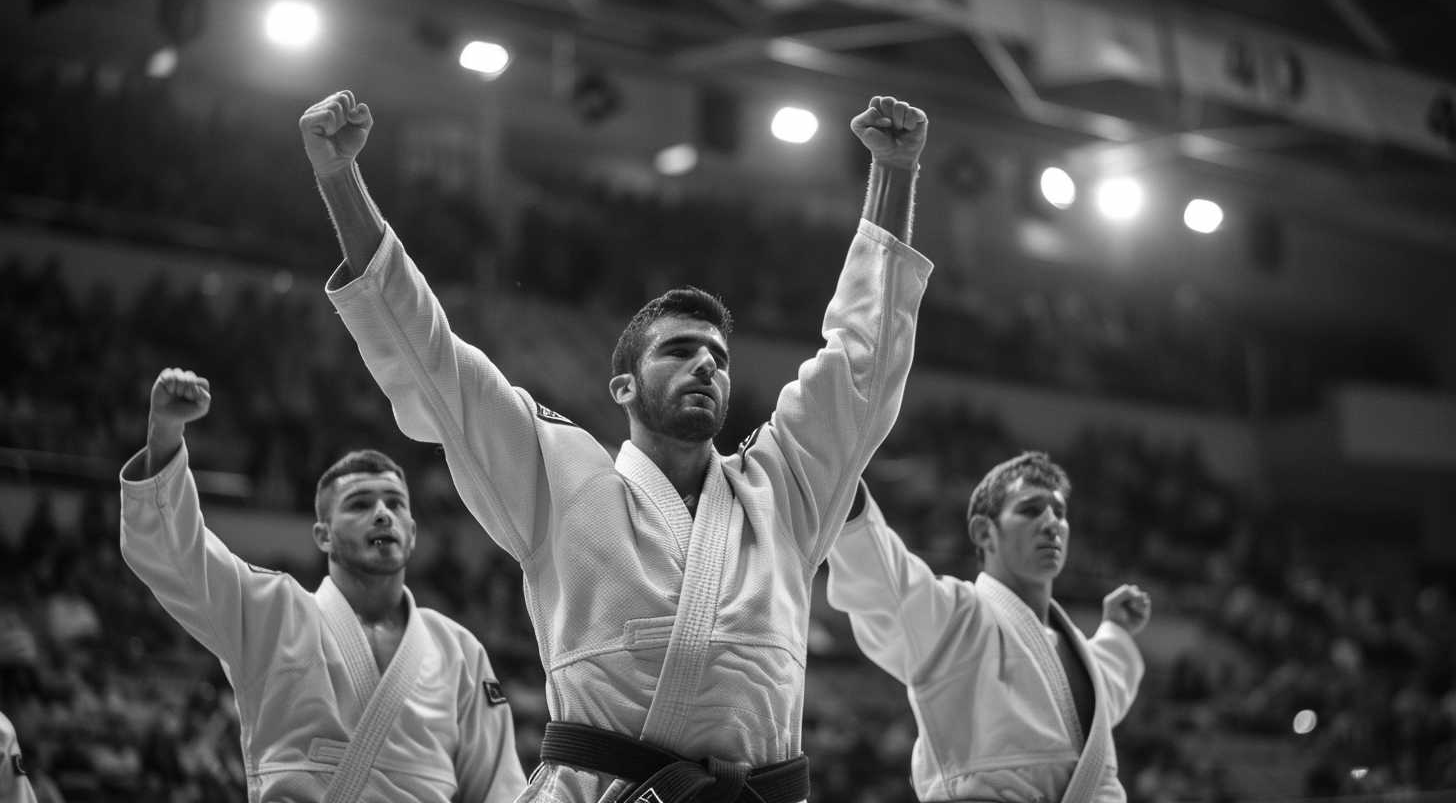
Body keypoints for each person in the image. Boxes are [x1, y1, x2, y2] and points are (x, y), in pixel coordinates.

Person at [299, 89, 931, 802]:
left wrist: (893, 174)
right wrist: (340, 181)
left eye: (718, 359)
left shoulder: (783, 490)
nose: (706, 366)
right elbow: (432, 362)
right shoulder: (561, 477)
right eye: (681, 352)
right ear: (623, 388)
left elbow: (862, 366)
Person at [118, 368, 527, 803]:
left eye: (395, 504)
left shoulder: (459, 651)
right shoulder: (273, 611)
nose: (383, 514)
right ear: (323, 535)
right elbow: (174, 554)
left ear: (412, 531)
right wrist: (164, 434)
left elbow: (500, 789)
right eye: (360, 504)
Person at [827, 451, 1151, 803]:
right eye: (1030, 509)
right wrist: (838, 479)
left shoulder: (1079, 654)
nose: (1051, 523)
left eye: (1059, 512)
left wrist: (1116, 630)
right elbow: (886, 581)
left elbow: (1105, 690)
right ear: (984, 531)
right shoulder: (958, 617)